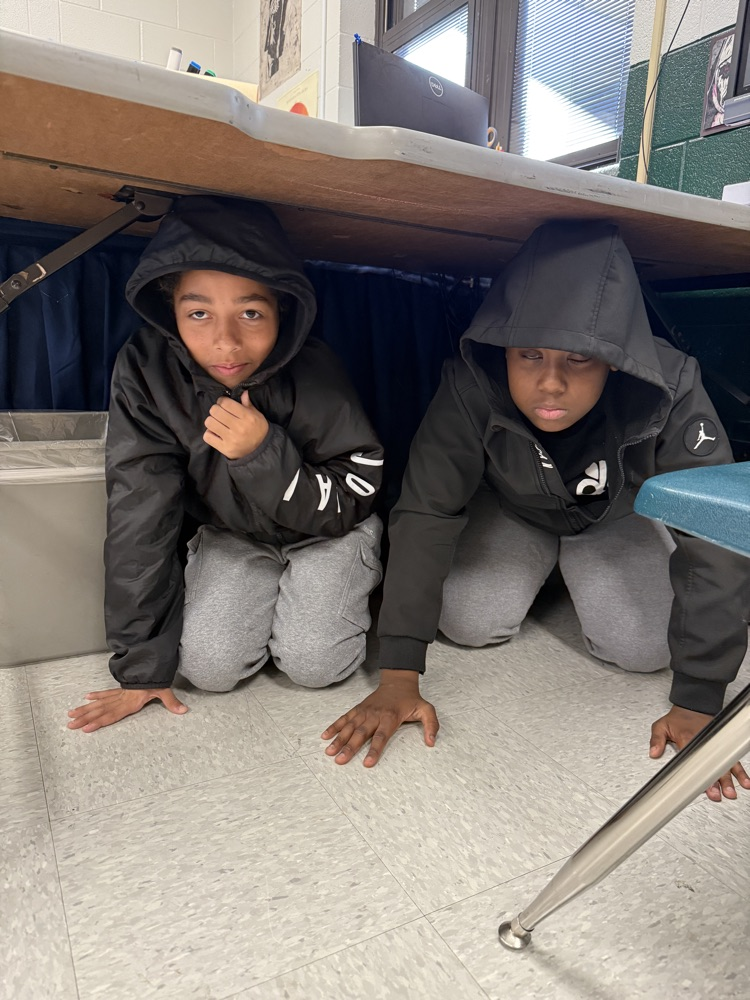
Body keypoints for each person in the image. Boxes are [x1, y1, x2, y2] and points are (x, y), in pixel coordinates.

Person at [322, 221, 750, 802]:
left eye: (580, 358)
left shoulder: (668, 384)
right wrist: (399, 674)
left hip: (612, 515)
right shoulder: (472, 381)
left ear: (616, 362)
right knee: (469, 624)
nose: (549, 383)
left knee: (644, 650)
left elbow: (713, 531)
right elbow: (426, 510)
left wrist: (700, 695)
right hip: (515, 507)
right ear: (506, 350)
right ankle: (543, 571)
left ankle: (571, 569)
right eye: (530, 355)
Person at [68, 196, 383, 732]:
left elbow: (356, 489)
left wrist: (262, 454)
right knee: (208, 669)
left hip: (331, 530)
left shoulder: (314, 368)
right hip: (235, 534)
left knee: (314, 666)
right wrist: (142, 668)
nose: (226, 341)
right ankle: (266, 587)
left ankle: (333, 582)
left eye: (251, 312)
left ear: (282, 309)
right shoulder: (148, 370)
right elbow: (139, 514)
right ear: (171, 310)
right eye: (199, 313)